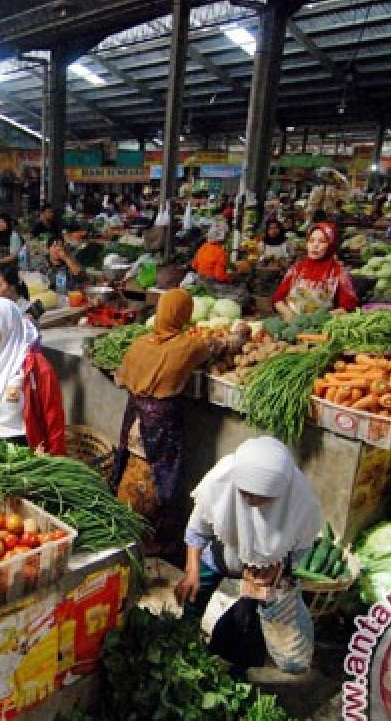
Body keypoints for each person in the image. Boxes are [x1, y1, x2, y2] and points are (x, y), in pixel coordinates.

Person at [174, 436, 320, 677]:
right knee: (193, 597)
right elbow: (197, 530)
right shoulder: (222, 479)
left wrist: (278, 569)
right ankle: (183, 644)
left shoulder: (301, 502)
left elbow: (301, 548)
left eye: (262, 497)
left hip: (262, 571)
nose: (251, 501)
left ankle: (236, 671)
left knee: (246, 625)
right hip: (221, 554)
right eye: (245, 493)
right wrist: (191, 572)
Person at [111, 290, 212, 554]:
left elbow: (121, 377)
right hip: (159, 428)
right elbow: (213, 348)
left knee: (132, 470)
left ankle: (126, 533)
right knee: (160, 479)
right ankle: (152, 545)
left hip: (134, 422)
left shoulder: (140, 344)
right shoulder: (187, 346)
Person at [0, 298, 65, 454]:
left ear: (8, 325)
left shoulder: (34, 365)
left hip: (23, 448)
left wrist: (56, 455)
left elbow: (52, 414)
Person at [272, 222, 360, 319]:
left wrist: (321, 318)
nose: (315, 245)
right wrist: (288, 314)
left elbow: (348, 307)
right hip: (291, 324)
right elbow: (278, 299)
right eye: (311, 240)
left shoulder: (338, 272)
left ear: (331, 245)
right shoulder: (296, 269)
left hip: (320, 329)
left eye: (322, 241)